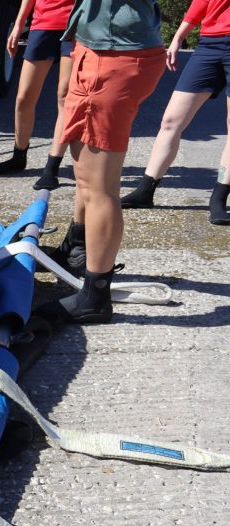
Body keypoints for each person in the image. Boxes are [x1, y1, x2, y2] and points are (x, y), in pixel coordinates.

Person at [36, 0, 166, 325]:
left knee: (99, 187)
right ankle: (78, 250)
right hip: (104, 49)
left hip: (111, 56)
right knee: (88, 177)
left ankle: (95, 297)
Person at [120, 0, 230, 225]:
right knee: (171, 120)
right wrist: (179, 35)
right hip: (209, 44)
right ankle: (145, 191)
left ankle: (219, 199)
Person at [0, 0, 74, 190]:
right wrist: (18, 25)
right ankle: (19, 156)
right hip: (43, 23)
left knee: (65, 97)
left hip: (76, 25)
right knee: (24, 97)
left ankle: (52, 168)